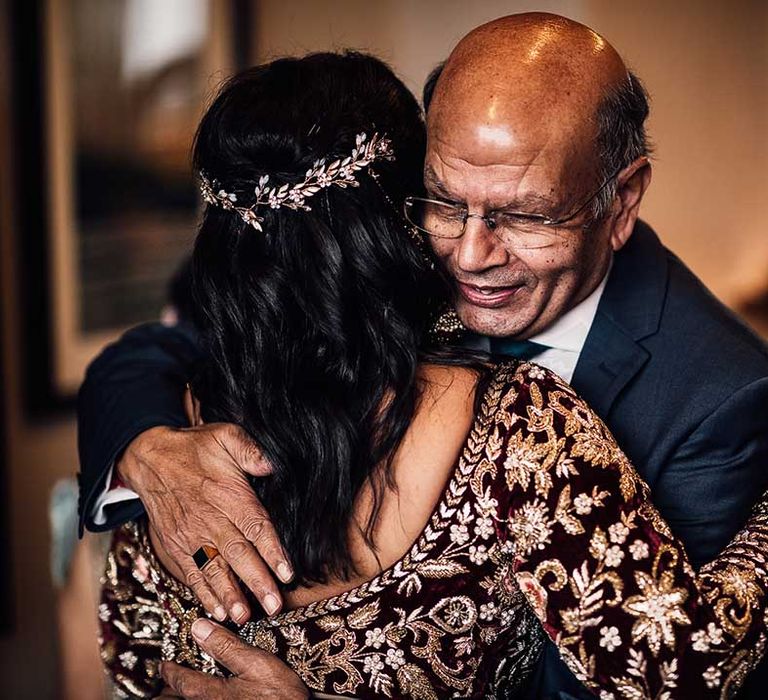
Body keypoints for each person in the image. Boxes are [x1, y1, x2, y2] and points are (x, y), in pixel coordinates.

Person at [79, 13, 768, 699]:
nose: (470, 256)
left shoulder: (720, 399)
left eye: (526, 215)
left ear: (620, 201)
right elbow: (144, 356)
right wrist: (143, 444)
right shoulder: (212, 403)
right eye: (441, 201)